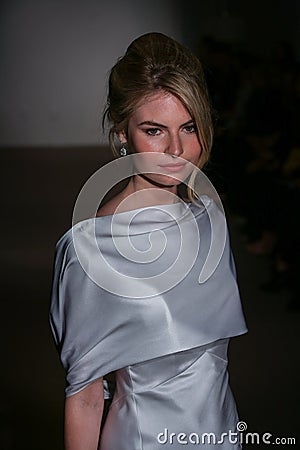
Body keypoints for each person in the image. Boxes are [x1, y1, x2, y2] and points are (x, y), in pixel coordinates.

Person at [49, 32, 247, 449]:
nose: (177, 149)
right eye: (155, 130)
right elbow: (85, 397)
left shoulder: (210, 218)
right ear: (123, 134)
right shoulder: (91, 250)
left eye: (189, 127)